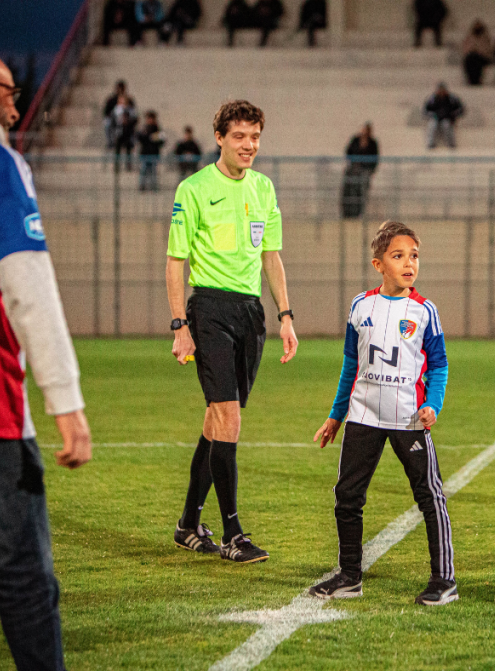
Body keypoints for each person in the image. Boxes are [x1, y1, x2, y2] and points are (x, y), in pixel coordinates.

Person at [0, 50, 92, 671]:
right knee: (26, 582)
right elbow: (27, 284)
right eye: (6, 91)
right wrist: (66, 399)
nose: (16, 103)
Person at [166, 100, 298, 563]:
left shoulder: (264, 189)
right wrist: (180, 325)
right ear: (219, 137)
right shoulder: (194, 188)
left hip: (250, 313)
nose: (249, 145)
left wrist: (285, 315)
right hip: (209, 309)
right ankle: (233, 534)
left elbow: (271, 257)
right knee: (230, 417)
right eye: (240, 136)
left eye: (255, 137)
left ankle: (187, 525)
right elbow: (175, 261)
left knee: (217, 420)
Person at [310, 220, 456, 605]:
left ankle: (444, 580)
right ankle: (349, 575)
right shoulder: (361, 306)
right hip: (363, 417)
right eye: (398, 256)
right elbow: (350, 366)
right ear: (378, 264)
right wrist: (335, 415)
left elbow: (438, 366)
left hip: (407, 418)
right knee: (347, 495)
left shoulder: (425, 311)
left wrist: (432, 405)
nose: (409, 264)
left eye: (414, 256)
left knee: (429, 495)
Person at [341, 122, 379, 219]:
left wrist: (369, 170)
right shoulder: (356, 140)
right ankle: (347, 214)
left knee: (361, 194)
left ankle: (358, 214)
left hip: (364, 172)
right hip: (354, 170)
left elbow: (375, 159)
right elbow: (348, 152)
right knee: (348, 192)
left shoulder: (372, 143)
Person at [423, 82, 464, 149]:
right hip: (435, 117)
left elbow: (461, 109)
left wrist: (452, 115)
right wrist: (432, 115)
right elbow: (425, 111)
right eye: (440, 90)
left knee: (446, 125)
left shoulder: (452, 99)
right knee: (432, 125)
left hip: (446, 117)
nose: (441, 92)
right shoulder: (432, 99)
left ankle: (451, 144)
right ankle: (430, 143)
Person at [136, 110, 166, 191]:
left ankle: (154, 186)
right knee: (143, 170)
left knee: (153, 171)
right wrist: (148, 137)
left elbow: (162, 141)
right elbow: (140, 138)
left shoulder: (158, 129)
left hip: (154, 154)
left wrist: (153, 138)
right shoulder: (144, 129)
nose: (150, 120)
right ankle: (142, 186)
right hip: (145, 154)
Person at [103, 80, 134, 149]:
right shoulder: (111, 100)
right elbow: (106, 112)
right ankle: (110, 142)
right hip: (115, 121)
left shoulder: (129, 100)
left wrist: (127, 119)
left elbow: (133, 114)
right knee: (107, 123)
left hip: (127, 122)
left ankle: (130, 141)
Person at [111, 92, 137, 171]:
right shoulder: (116, 110)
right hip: (119, 131)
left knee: (128, 150)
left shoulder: (131, 110)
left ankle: (128, 165)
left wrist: (129, 121)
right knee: (118, 150)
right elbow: (113, 121)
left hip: (128, 132)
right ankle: (117, 166)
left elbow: (135, 120)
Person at [462, 20, 492, 86]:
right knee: (469, 61)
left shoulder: (485, 37)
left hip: (483, 57)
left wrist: (478, 51)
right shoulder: (469, 37)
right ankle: (471, 80)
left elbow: (488, 49)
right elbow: (465, 48)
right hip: (471, 56)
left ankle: (477, 81)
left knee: (476, 61)